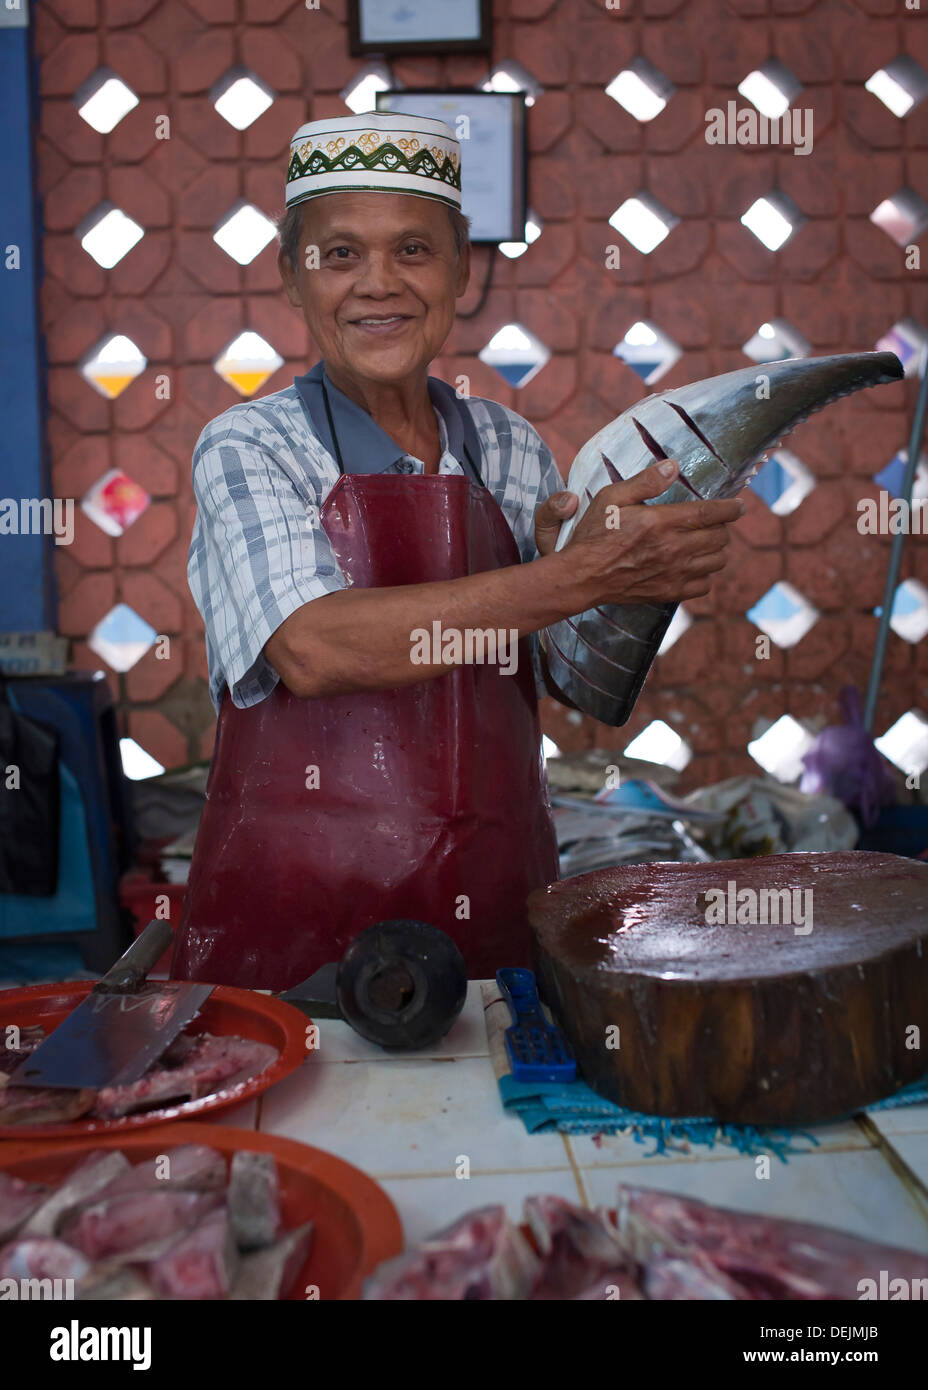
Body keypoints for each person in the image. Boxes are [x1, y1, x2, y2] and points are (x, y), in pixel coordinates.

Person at [170, 111, 742, 990]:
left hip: (495, 905)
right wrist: (571, 574)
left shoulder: (509, 448)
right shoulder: (249, 446)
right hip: (291, 932)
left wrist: (625, 573)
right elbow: (313, 648)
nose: (377, 285)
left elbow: (572, 683)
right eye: (338, 255)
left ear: (461, 269)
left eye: (412, 250)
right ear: (291, 276)